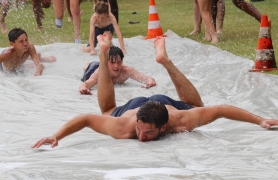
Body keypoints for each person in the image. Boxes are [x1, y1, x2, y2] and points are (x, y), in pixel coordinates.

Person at [31, 35, 278, 148]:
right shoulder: (127, 127)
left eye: (148, 134)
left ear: (163, 128)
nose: (140, 137)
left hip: (164, 105)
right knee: (108, 110)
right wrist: (57, 136)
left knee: (196, 104)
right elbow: (85, 119)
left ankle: (165, 61)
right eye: (140, 130)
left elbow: (222, 110)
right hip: (134, 108)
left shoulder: (179, 121)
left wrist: (259, 120)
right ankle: (103, 54)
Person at [79, 45, 156, 95]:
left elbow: (147, 78)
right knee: (87, 70)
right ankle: (87, 65)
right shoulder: (100, 73)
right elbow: (87, 83)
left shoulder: (127, 71)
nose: (116, 66)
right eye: (112, 62)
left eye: (119, 62)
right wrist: (83, 88)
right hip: (94, 67)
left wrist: (150, 82)